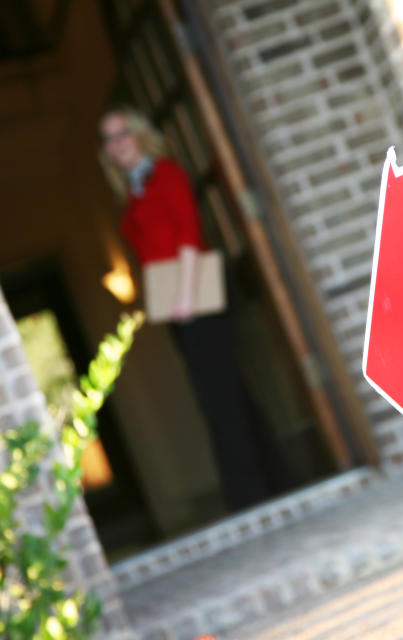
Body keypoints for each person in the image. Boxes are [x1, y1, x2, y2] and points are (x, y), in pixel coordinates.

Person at [98, 106, 273, 512]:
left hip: (195, 291)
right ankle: (269, 481)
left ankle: (246, 496)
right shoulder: (134, 190)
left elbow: (189, 233)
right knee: (226, 392)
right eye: (108, 139)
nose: (116, 144)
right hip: (176, 297)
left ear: (139, 133)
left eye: (122, 133)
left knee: (217, 398)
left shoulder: (166, 173)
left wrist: (185, 296)